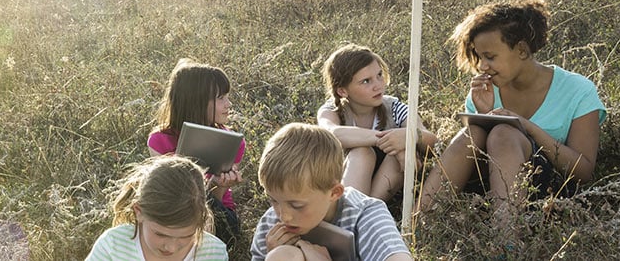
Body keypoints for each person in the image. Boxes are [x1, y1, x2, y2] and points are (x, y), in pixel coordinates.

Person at [417, 0, 606, 228]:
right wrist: (486, 113)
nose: (482, 66)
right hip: (487, 187)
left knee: (504, 133)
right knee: (473, 133)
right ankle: (417, 226)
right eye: (479, 56)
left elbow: (584, 172)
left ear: (522, 51)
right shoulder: (487, 89)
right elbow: (472, 155)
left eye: (490, 57)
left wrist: (526, 126)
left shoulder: (578, 90)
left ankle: (506, 244)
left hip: (544, 191)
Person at [249, 123, 413, 261]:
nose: (284, 216)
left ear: (334, 192)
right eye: (274, 200)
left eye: (296, 205)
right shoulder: (272, 221)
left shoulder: (364, 214)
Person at [316, 44, 438, 201]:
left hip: (383, 181)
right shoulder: (333, 109)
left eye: (379, 75)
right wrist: (389, 140)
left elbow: (432, 141)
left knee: (406, 151)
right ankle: (350, 211)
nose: (378, 85)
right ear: (342, 91)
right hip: (343, 180)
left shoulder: (394, 107)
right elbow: (331, 133)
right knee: (363, 152)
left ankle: (369, 211)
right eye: (366, 81)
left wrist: (410, 136)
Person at [146, 59, 247, 248]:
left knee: (200, 209)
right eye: (220, 98)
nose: (229, 104)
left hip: (218, 214)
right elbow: (167, 193)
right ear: (196, 101)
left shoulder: (232, 141)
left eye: (227, 97)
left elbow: (215, 200)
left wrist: (219, 185)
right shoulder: (160, 140)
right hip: (174, 210)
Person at [86, 156, 230, 260]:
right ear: (139, 212)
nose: (171, 248)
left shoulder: (213, 253)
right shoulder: (113, 245)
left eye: (186, 236)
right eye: (161, 234)